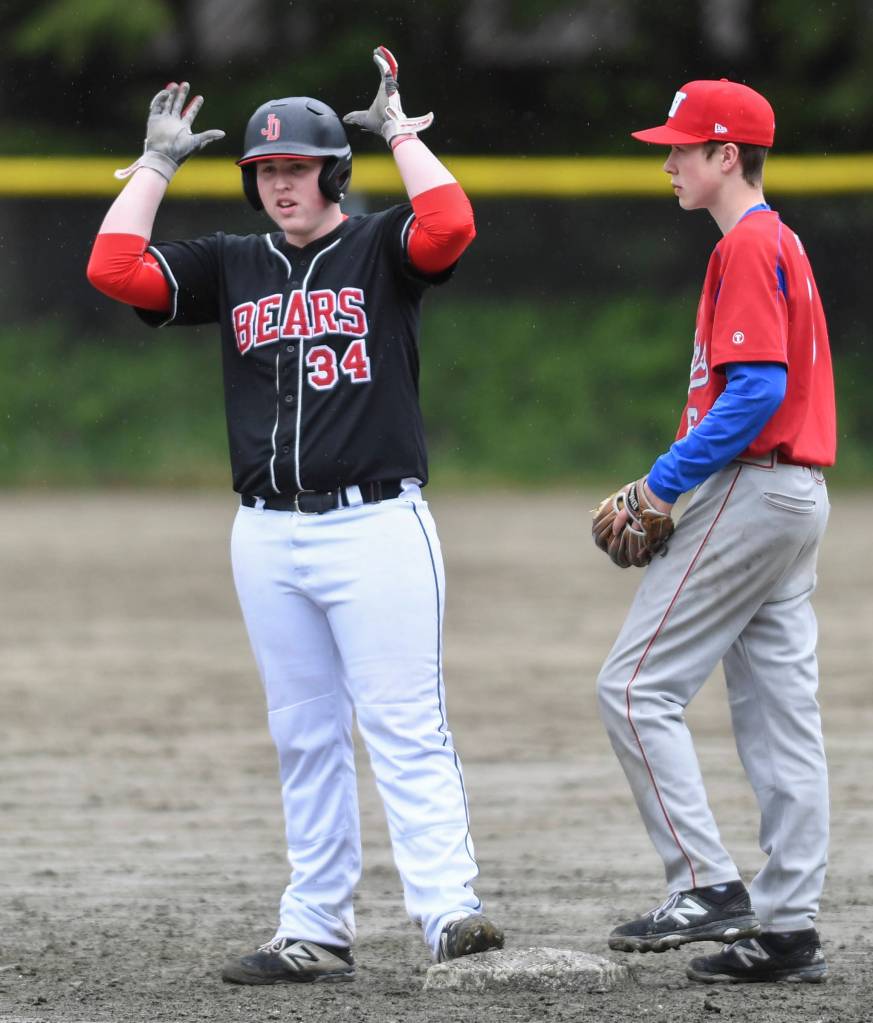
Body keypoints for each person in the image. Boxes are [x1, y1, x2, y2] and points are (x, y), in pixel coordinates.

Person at [86, 46, 503, 984]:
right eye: (266, 169)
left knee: (403, 724)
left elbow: (451, 222)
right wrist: (155, 165)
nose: (280, 183)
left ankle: (450, 913)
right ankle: (315, 927)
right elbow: (114, 268)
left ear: (332, 172)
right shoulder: (231, 265)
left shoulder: (379, 247)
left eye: (297, 167)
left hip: (377, 526)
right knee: (304, 732)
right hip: (266, 533)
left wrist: (398, 132)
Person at [593, 79, 835, 985]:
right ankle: (787, 929)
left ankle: (705, 884)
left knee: (630, 688)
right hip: (797, 497)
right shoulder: (783, 241)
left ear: (725, 155)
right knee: (781, 723)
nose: (668, 163)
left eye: (682, 149)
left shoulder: (746, 244)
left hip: (754, 488)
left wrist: (659, 485)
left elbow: (757, 392)